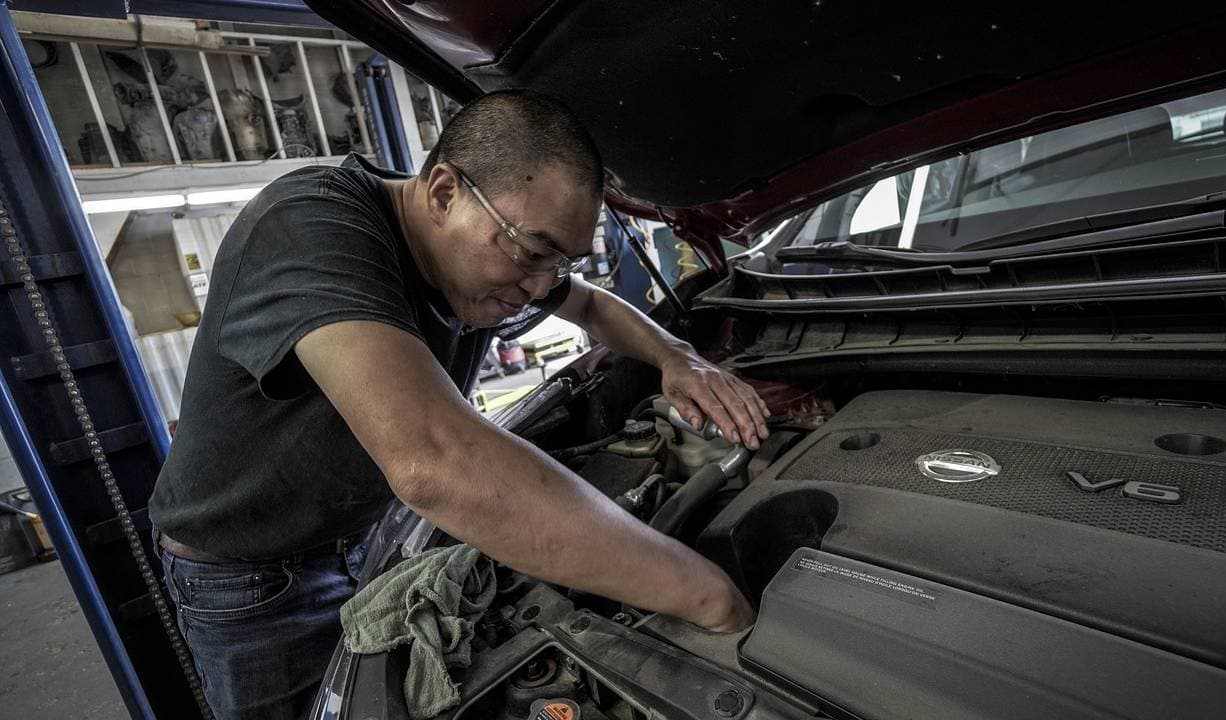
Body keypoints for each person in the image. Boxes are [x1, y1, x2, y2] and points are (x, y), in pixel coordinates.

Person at [148, 90, 766, 719]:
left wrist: (673, 355)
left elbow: (590, 304)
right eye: (531, 252)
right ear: (444, 193)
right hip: (253, 580)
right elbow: (434, 462)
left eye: (560, 261)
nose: (539, 285)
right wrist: (705, 595)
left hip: (369, 537)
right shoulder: (309, 229)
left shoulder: (480, 254)